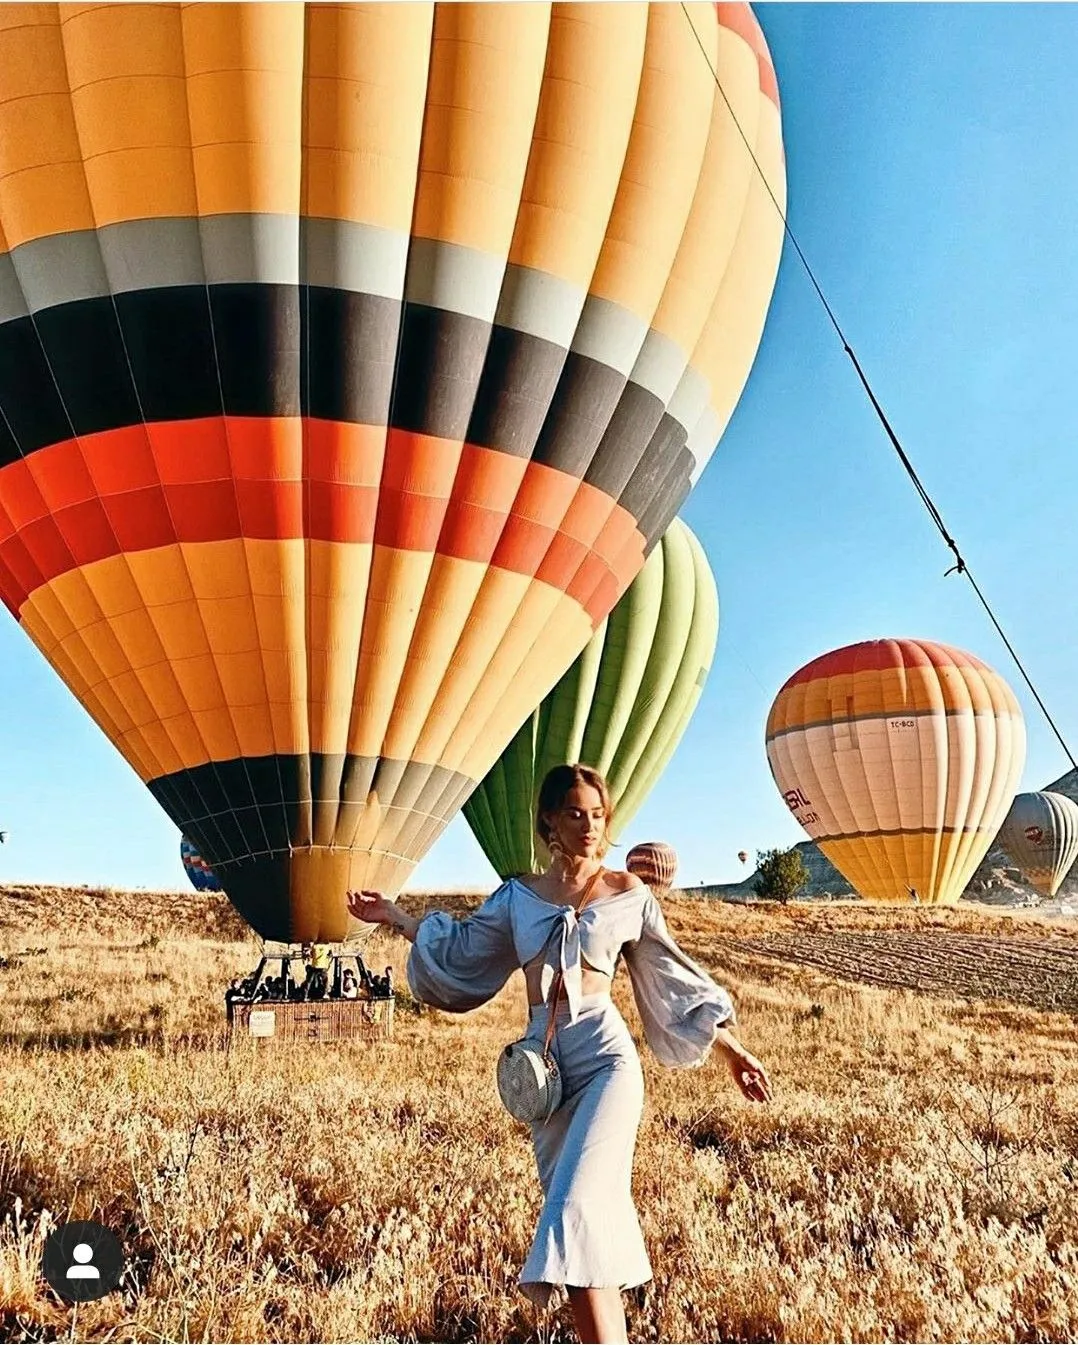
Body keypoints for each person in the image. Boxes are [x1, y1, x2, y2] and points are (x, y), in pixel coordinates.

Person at [348, 762, 772, 1345]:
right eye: (575, 813)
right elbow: (466, 948)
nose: (589, 825)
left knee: (574, 1208)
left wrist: (732, 1051)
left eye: (598, 815)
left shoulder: (629, 894)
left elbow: (673, 981)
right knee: (582, 1238)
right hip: (541, 1073)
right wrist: (397, 918)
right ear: (549, 819)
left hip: (605, 1058)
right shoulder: (518, 897)